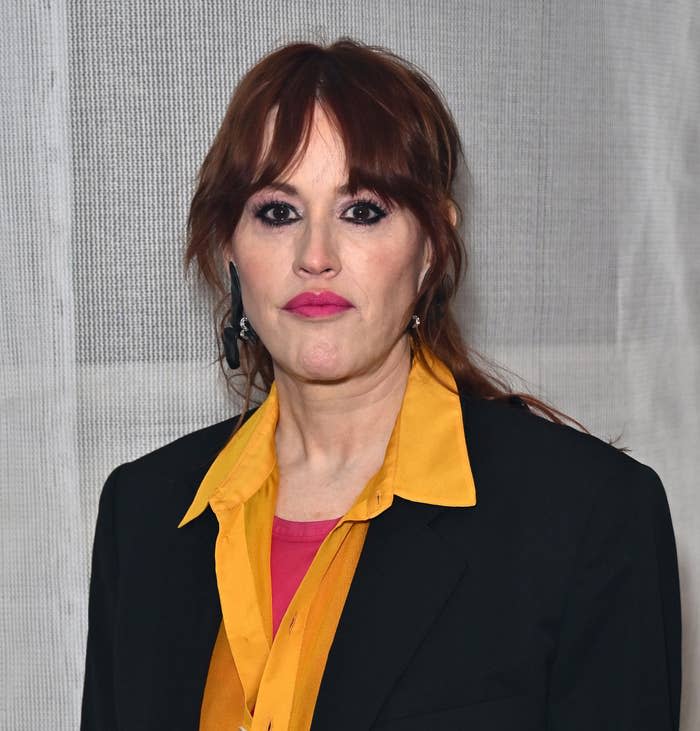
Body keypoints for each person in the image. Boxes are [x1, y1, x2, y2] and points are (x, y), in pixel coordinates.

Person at [80, 38, 681, 731]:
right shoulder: (143, 513)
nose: (315, 256)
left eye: (362, 210)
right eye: (278, 212)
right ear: (229, 249)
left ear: (431, 248)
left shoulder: (592, 518)